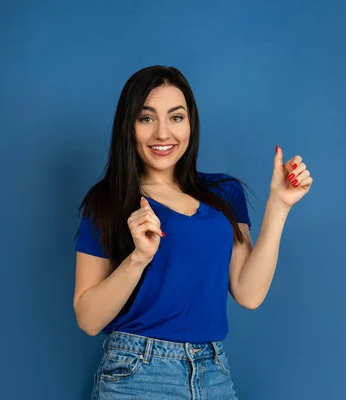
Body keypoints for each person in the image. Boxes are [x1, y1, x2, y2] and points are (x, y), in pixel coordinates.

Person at [73, 65, 313, 399]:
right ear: (129, 126)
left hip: (213, 372)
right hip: (137, 374)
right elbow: (88, 318)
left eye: (175, 117)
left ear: (190, 123)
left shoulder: (224, 193)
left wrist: (280, 205)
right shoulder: (108, 201)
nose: (162, 133)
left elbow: (248, 293)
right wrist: (138, 258)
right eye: (146, 118)